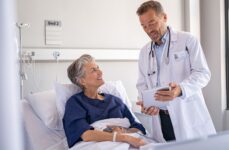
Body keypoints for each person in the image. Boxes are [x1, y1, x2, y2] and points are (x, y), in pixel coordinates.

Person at [135, 0, 216, 142]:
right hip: (161, 119)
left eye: (152, 23)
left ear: (164, 17)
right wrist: (146, 104)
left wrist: (180, 89)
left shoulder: (187, 40)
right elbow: (142, 85)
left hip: (187, 115)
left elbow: (203, 73)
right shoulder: (144, 52)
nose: (149, 30)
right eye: (144, 26)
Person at [63, 54, 146, 148]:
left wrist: (123, 131)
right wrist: (121, 137)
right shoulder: (75, 103)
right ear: (82, 81)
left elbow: (138, 128)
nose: (100, 72)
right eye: (93, 70)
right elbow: (85, 134)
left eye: (98, 68)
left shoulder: (115, 101)